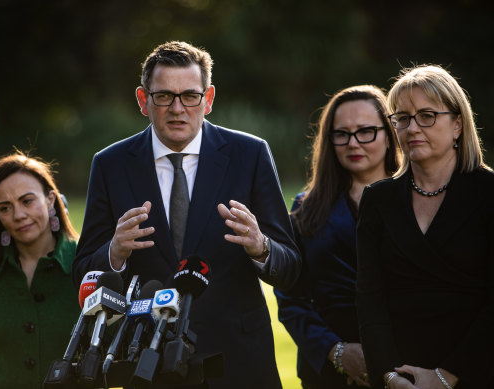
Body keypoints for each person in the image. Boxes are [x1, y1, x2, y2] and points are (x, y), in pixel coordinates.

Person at [73, 40, 301, 388]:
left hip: (237, 360)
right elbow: (83, 276)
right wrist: (115, 253)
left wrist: (261, 247)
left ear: (207, 100)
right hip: (147, 361)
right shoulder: (110, 164)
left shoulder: (250, 154)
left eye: (190, 96)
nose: (177, 108)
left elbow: (291, 268)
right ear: (143, 100)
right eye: (164, 96)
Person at [356, 64, 494, 389]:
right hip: (401, 376)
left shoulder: (489, 193)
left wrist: (446, 377)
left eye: (427, 116)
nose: (412, 127)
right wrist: (388, 375)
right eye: (402, 118)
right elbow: (369, 299)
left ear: (458, 124)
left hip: (477, 370)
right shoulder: (377, 199)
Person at [274, 85, 401, 389]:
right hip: (328, 374)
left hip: (405, 365)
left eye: (366, 131)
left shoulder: (417, 200)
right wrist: (337, 352)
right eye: (341, 134)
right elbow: (291, 299)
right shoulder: (306, 207)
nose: (353, 143)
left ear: (389, 133)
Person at [0, 153, 80, 388]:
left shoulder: (85, 262)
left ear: (49, 200)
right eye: (5, 208)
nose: (18, 215)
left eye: (27, 201)